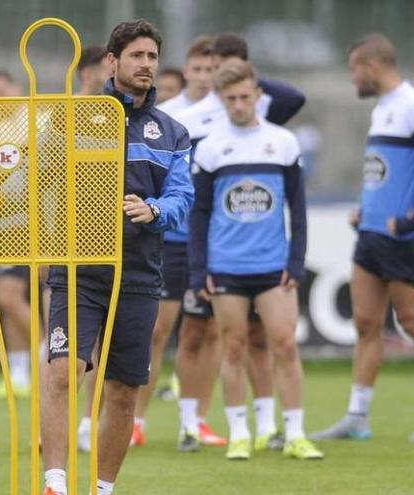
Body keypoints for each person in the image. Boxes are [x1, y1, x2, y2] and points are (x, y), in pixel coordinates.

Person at [0, 19, 193, 495]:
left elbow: (182, 199)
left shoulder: (173, 132)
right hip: (77, 269)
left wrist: (153, 209)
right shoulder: (72, 118)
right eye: (136, 56)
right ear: (112, 62)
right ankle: (55, 482)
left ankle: (102, 489)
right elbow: (35, 182)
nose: (146, 66)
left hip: (138, 274)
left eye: (152, 57)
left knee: (123, 390)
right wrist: (0, 202)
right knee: (63, 371)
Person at [171, 32, 307, 453]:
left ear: (255, 94)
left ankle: (290, 431)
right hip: (222, 262)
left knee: (280, 342)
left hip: (271, 263)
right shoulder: (205, 142)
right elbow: (200, 211)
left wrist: (296, 261)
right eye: (230, 98)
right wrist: (200, 269)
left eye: (245, 97)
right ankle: (230, 432)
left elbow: (297, 209)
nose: (238, 105)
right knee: (223, 343)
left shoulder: (281, 140)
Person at [124, 34, 227, 450]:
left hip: (212, 240)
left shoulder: (230, 112)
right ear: (185, 71)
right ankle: (136, 420)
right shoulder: (165, 117)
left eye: (212, 69)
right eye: (198, 68)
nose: (205, 76)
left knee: (204, 331)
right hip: (168, 238)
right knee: (157, 330)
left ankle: (193, 421)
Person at [311, 33, 414, 441]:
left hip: (400, 238)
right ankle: (357, 416)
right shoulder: (383, 110)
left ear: (371, 67)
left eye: (354, 68)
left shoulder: (408, 103)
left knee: (408, 320)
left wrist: (408, 220)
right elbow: (386, 171)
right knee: (366, 323)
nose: (353, 77)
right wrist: (365, 207)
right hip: (370, 232)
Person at [0, 69, 35, 400]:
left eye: (4, 91)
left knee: (12, 297)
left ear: (17, 88)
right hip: (2, 220)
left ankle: (46, 350)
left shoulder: (35, 121)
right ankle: (18, 374)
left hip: (30, 220)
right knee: (9, 300)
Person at [72, 44, 117, 453]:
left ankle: (90, 422)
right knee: (63, 352)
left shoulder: (118, 118)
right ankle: (57, 424)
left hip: (114, 245)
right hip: (68, 247)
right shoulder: (65, 116)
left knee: (104, 349)